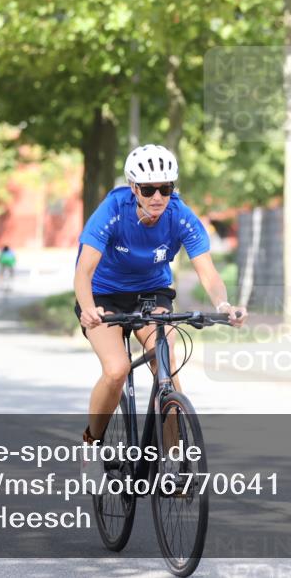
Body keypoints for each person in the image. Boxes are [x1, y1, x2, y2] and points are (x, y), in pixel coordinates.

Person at [73, 144, 246, 476]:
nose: (158, 196)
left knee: (166, 368)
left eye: (166, 188)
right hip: (103, 294)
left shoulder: (179, 214)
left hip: (152, 292)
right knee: (116, 370)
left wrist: (224, 306)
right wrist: (88, 309)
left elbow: (207, 272)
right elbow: (83, 271)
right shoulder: (113, 209)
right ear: (134, 188)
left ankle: (174, 462)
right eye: (149, 189)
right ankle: (91, 443)